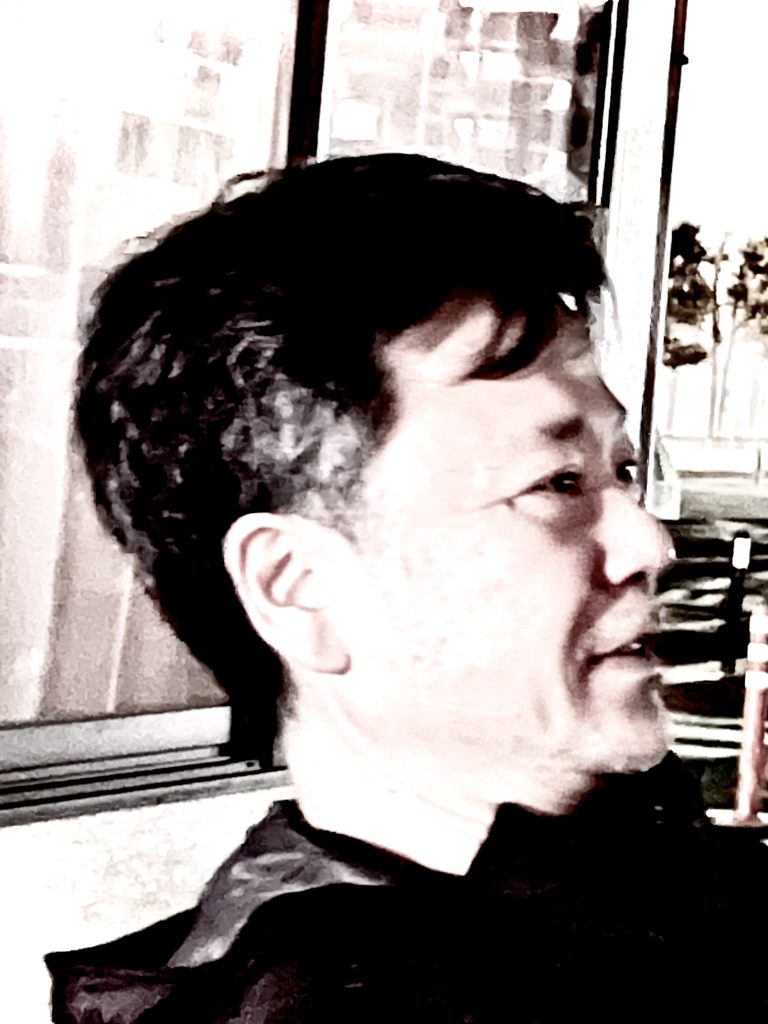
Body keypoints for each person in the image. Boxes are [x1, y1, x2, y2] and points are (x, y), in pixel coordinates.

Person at [47, 155, 768, 1023]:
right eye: (556, 484)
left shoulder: (649, 907)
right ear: (300, 588)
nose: (648, 543)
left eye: (621, 470)